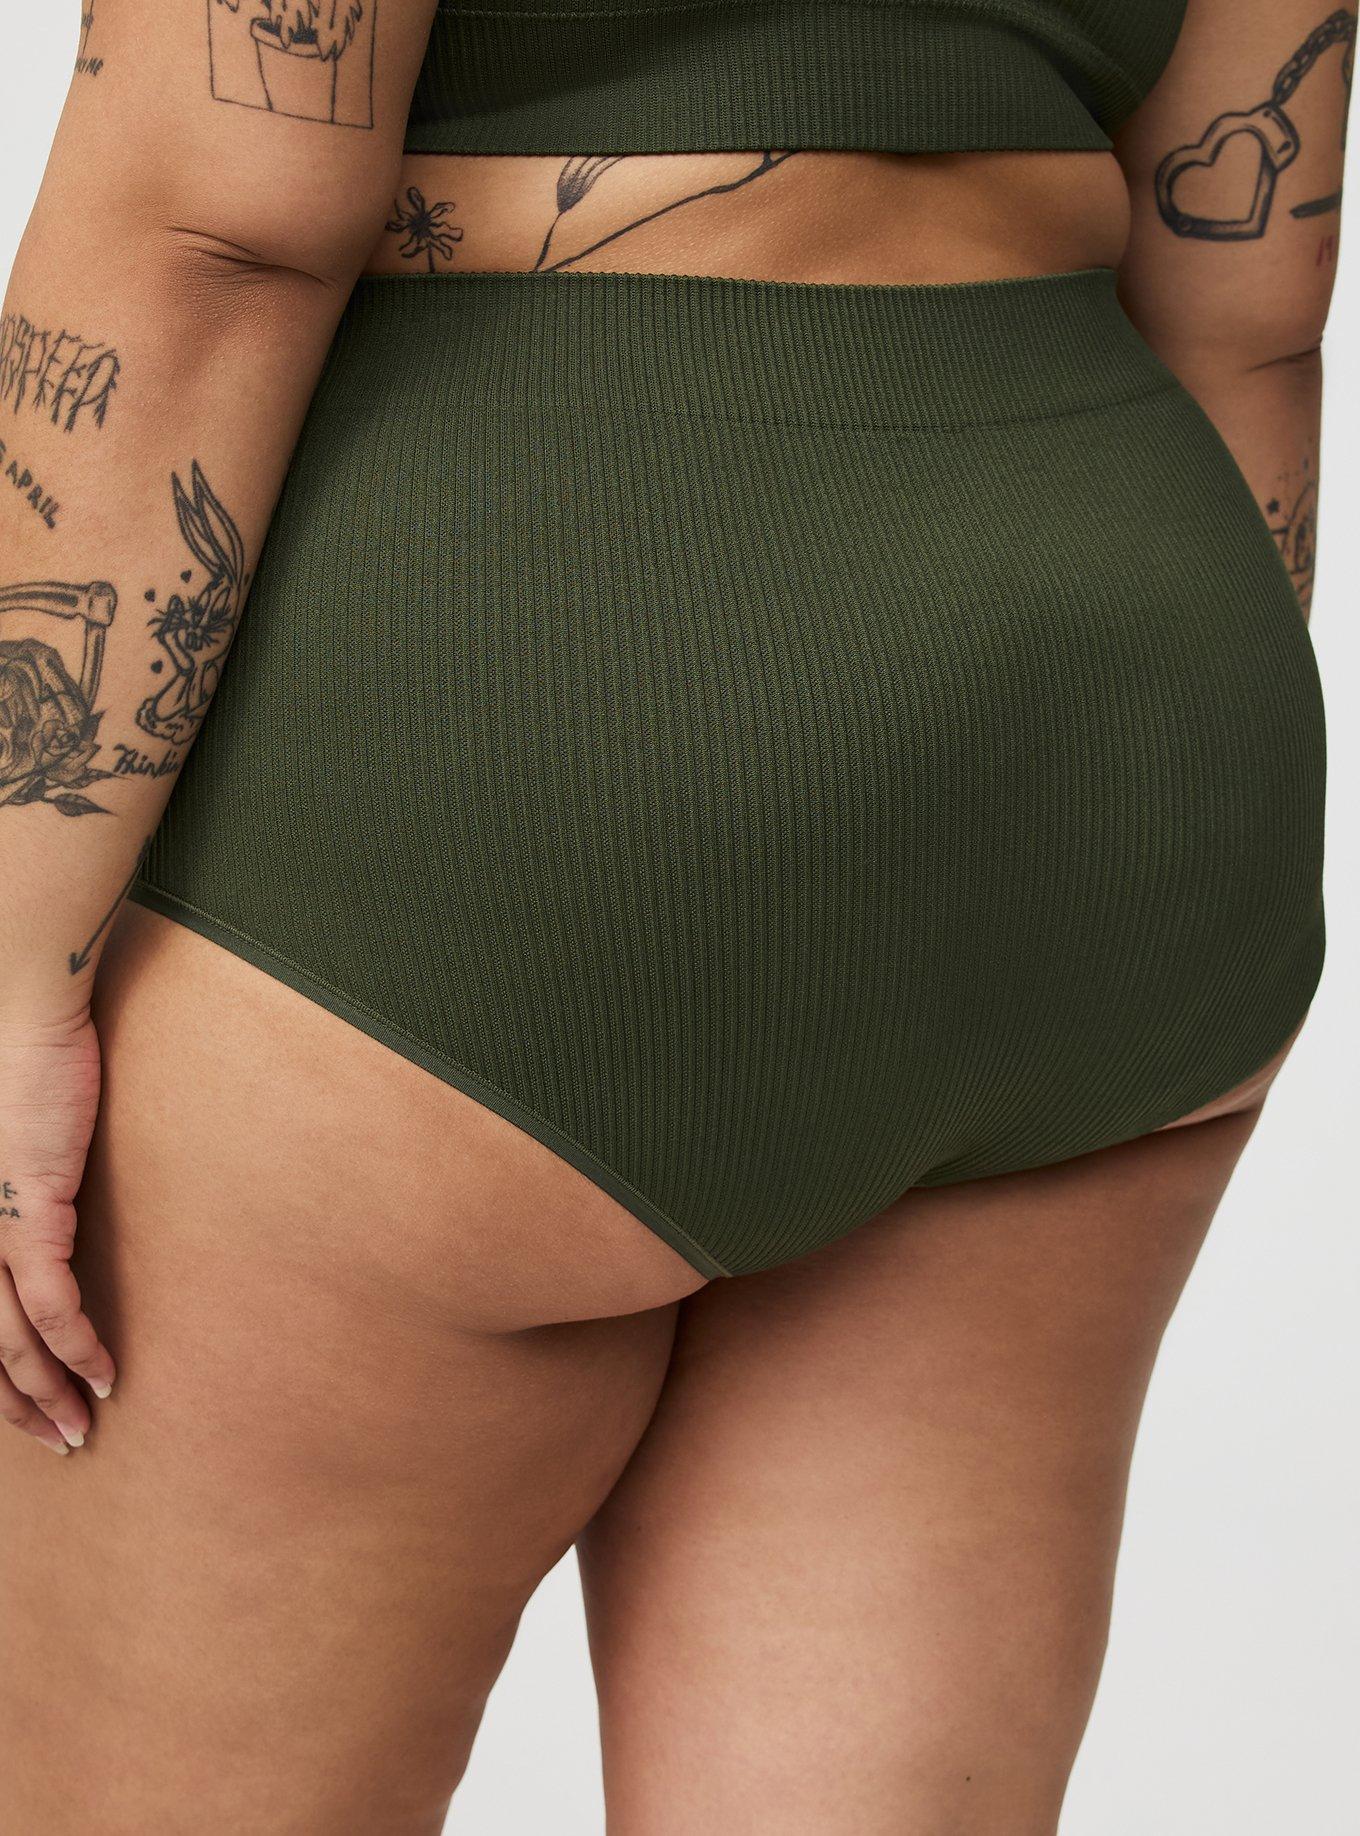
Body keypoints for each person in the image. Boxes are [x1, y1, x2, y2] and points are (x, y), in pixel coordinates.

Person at [0, 0, 1347, 1827]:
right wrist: (1141, 780)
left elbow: (217, 224)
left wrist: (11, 953)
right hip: (1125, 699)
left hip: (526, 671)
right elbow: (1250, 309)